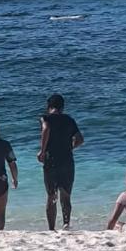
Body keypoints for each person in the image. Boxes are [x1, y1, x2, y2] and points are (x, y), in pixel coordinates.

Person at [37, 93, 83, 230]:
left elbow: (46, 128)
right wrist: (70, 148)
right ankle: (66, 224)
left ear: (49, 106)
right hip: (67, 160)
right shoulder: (69, 120)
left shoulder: (45, 118)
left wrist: (42, 151)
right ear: (62, 107)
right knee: (66, 195)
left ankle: (51, 229)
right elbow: (80, 139)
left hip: (51, 160)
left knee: (52, 195)